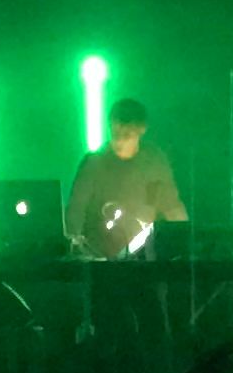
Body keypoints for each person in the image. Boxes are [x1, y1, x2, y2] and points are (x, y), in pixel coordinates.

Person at [62, 100, 186, 261]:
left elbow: (171, 205)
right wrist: (75, 251)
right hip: (100, 260)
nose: (120, 140)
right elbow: (75, 213)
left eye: (127, 134)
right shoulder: (93, 164)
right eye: (115, 133)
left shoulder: (153, 161)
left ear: (141, 129)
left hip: (144, 259)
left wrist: (186, 243)